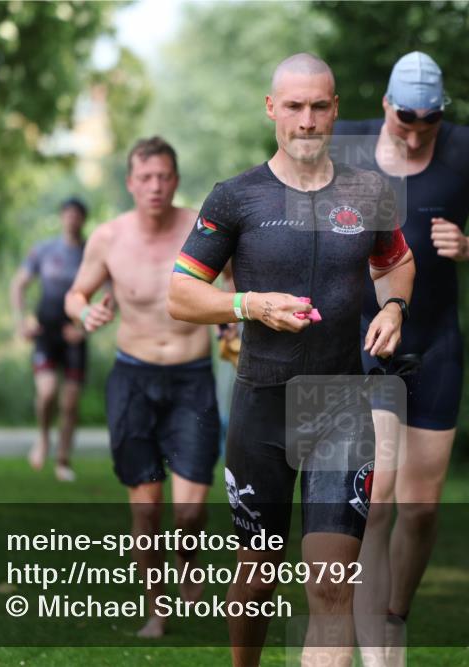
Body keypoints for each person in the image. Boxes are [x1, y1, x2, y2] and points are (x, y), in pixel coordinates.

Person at [168, 53, 415, 667]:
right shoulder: (236, 197)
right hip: (262, 406)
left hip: (340, 407)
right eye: (295, 106)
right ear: (272, 109)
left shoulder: (368, 193)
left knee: (331, 582)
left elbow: (396, 264)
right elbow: (180, 293)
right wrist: (248, 304)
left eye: (320, 106)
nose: (308, 120)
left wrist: (393, 311)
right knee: (257, 578)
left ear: (335, 109)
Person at [333, 51, 469, 661]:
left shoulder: (467, 150)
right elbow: (276, 201)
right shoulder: (344, 143)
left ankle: (396, 614)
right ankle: (376, 652)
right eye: (405, 117)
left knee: (421, 508)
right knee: (376, 499)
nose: (414, 130)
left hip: (436, 344)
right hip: (367, 339)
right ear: (385, 105)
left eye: (428, 120)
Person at [64, 137, 223, 638]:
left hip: (192, 378)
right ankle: (158, 610)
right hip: (132, 377)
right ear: (131, 183)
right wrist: (85, 311)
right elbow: (76, 293)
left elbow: (238, 284)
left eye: (164, 176)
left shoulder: (201, 228)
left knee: (190, 510)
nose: (155, 186)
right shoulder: (109, 238)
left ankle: (190, 559)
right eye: (145, 178)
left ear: (175, 179)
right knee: (147, 508)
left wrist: (233, 321)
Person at [10, 197, 89, 483]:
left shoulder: (91, 251)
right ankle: (42, 437)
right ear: (61, 217)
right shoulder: (44, 250)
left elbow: (111, 293)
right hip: (46, 333)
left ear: (83, 219)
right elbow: (18, 284)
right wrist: (21, 321)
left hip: (74, 336)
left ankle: (63, 460)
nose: (71, 219)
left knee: (69, 404)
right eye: (67, 214)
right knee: (46, 394)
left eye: (77, 215)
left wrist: (85, 327)